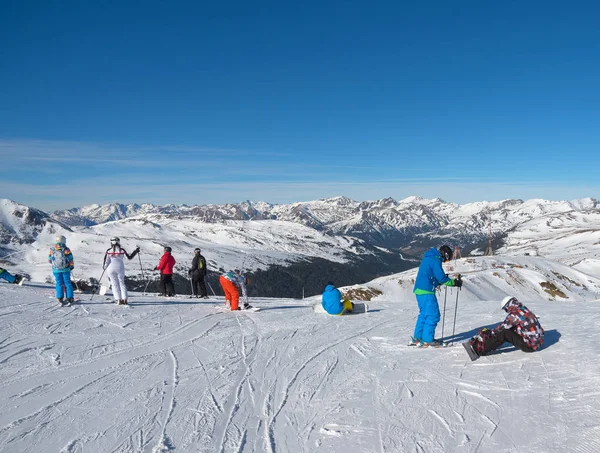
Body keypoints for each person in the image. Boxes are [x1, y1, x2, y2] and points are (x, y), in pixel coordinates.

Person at [411, 245, 462, 347]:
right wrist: (454, 283)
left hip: (419, 290)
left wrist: (437, 281)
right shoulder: (436, 260)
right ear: (445, 254)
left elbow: (430, 274)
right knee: (433, 315)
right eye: (446, 260)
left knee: (424, 314)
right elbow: (442, 278)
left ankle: (418, 337)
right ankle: (428, 339)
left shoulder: (429, 257)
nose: (445, 261)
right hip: (427, 291)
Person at [465, 296, 544, 359]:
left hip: (529, 346)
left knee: (504, 333)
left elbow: (503, 327)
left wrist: (490, 332)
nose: (506, 311)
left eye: (505, 309)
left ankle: (479, 349)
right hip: (537, 343)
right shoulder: (523, 309)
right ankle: (491, 343)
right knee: (508, 330)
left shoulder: (515, 314)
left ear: (508, 305)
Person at [102, 237, 140, 305]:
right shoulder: (122, 250)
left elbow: (106, 262)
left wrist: (104, 267)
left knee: (114, 284)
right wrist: (136, 251)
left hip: (111, 268)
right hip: (120, 267)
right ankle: (124, 299)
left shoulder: (109, 251)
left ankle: (118, 300)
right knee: (122, 283)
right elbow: (129, 257)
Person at [48, 235, 75, 305]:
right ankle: (70, 298)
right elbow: (70, 258)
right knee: (67, 283)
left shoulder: (52, 249)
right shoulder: (66, 249)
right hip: (65, 269)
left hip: (56, 270)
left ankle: (60, 297)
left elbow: (49, 260)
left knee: (59, 283)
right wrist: (71, 266)